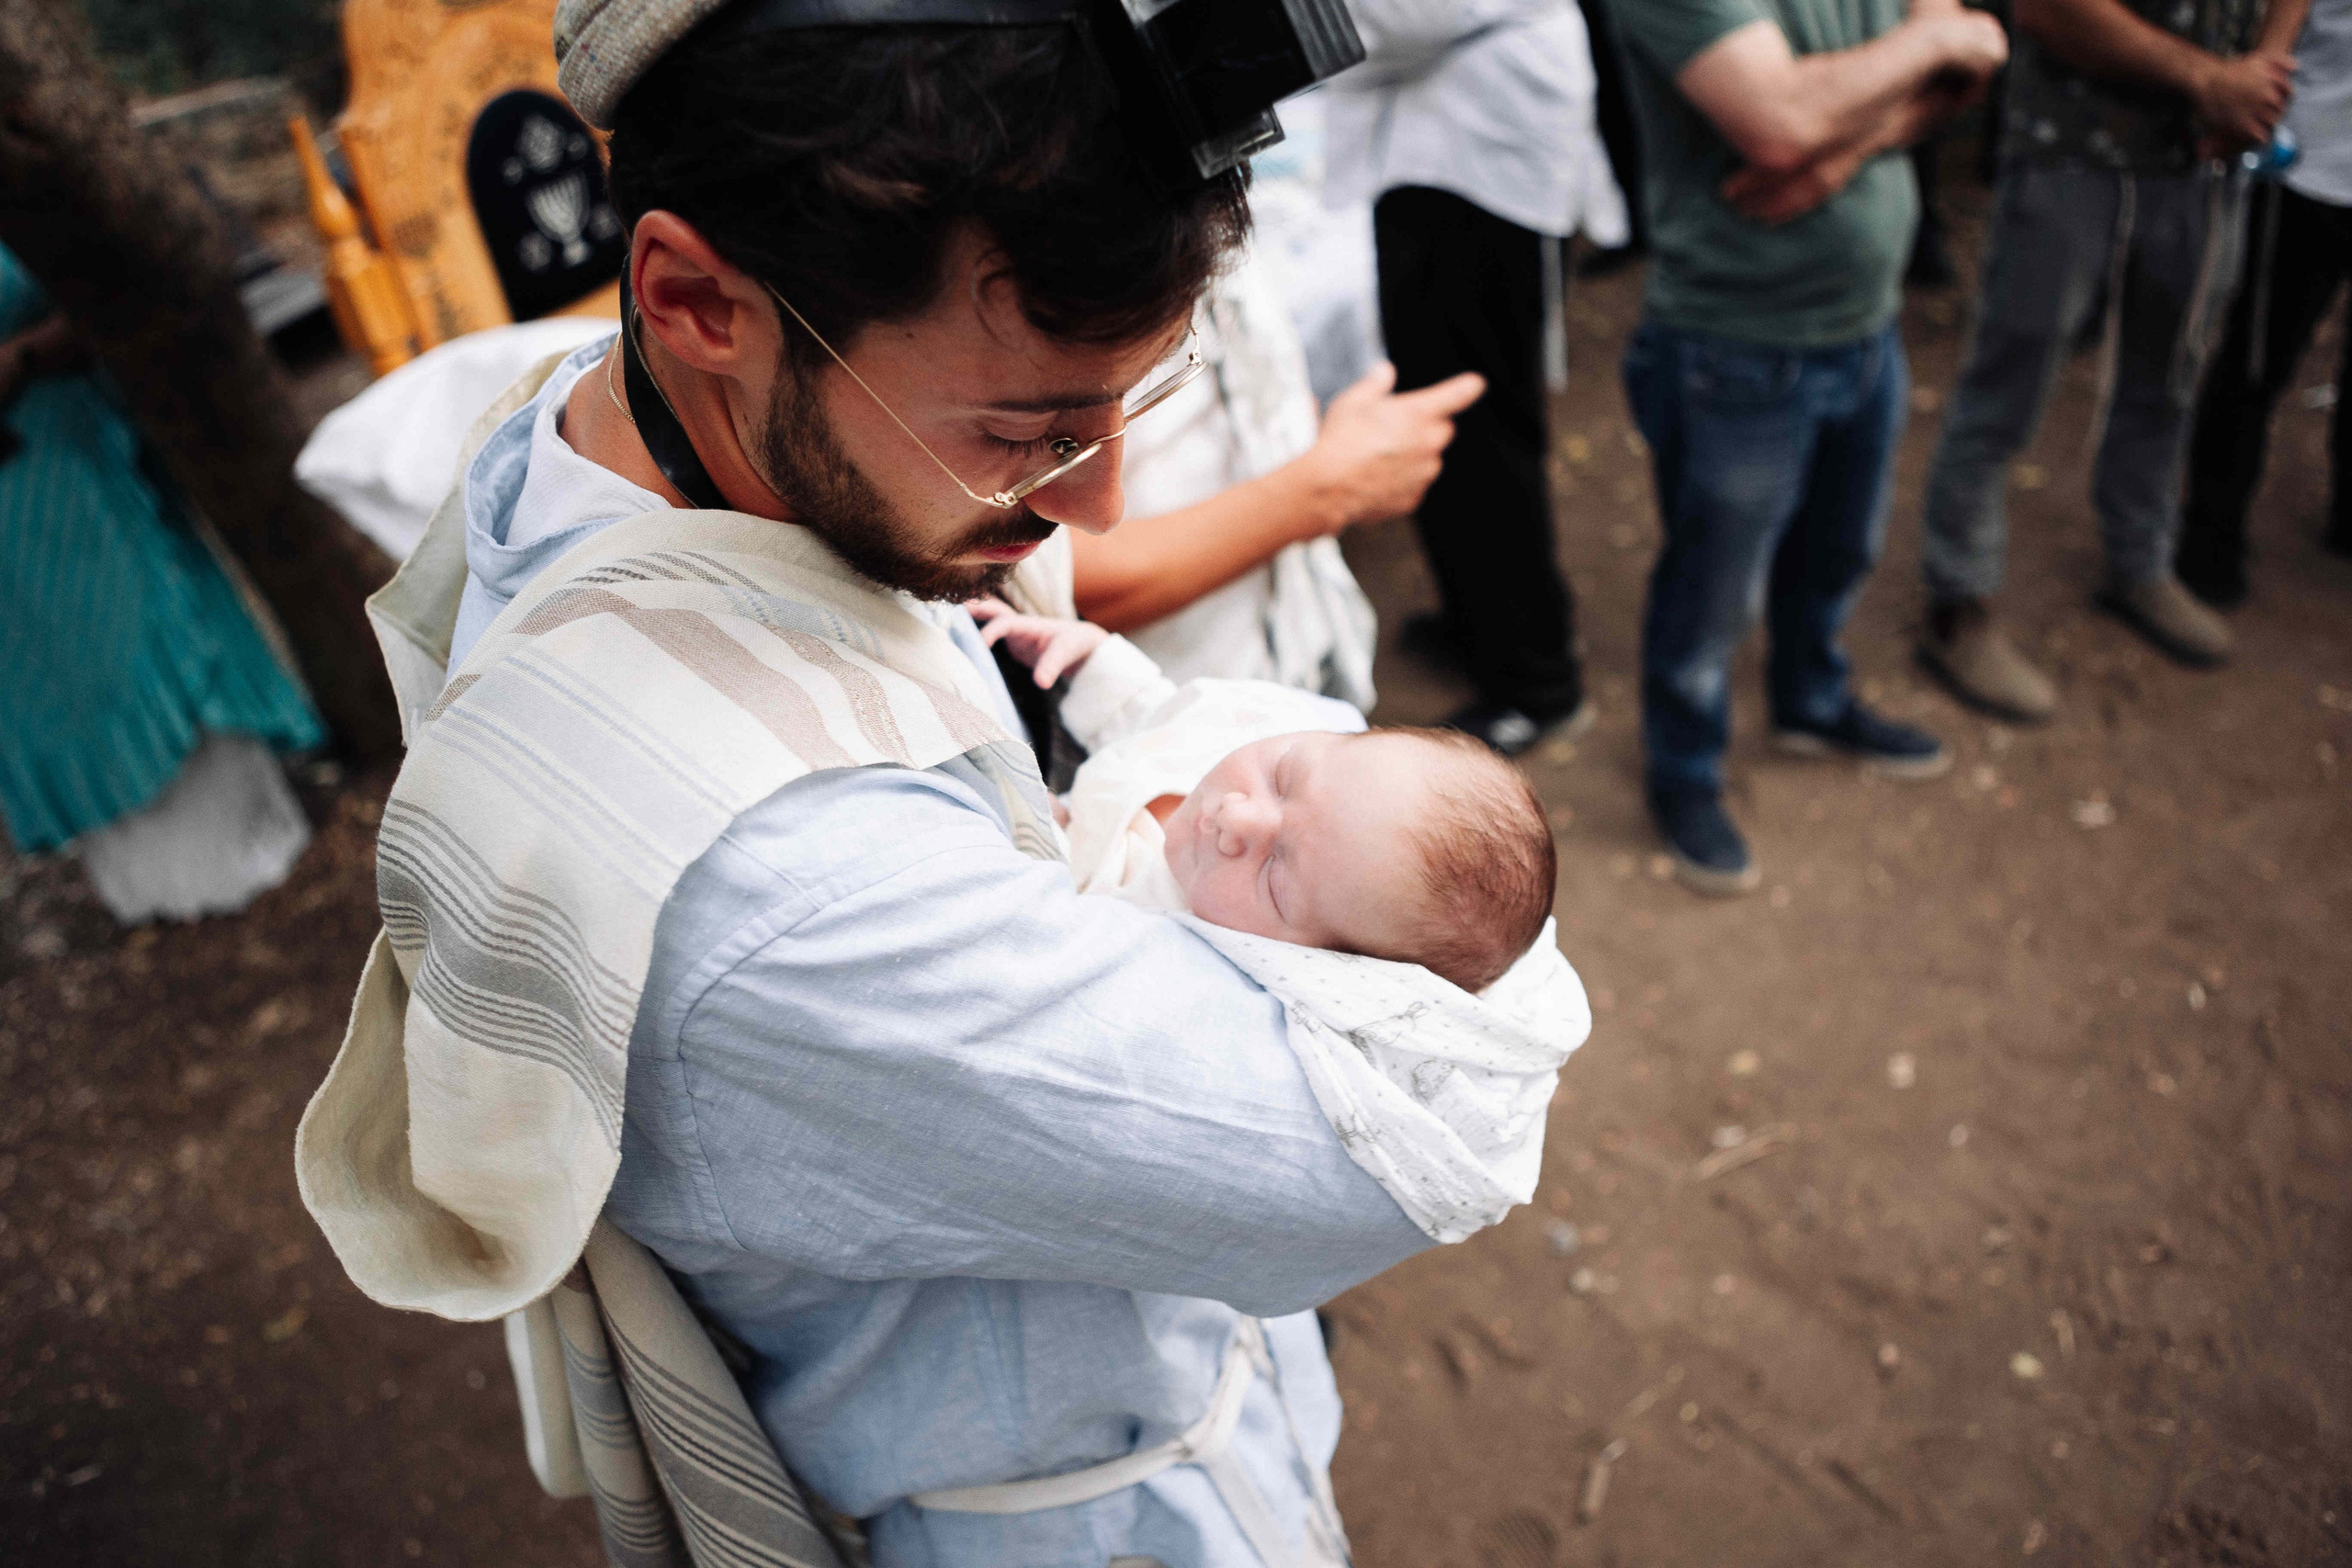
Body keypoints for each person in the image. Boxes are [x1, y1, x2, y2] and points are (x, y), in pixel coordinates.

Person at [295, 6, 1579, 1566]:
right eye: (1021, 431)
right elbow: (1404, 1135)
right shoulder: (787, 882)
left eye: (1129, 404)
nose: (1089, 511)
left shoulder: (663, 420)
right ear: (694, 297)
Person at [1609, 0, 2006, 893]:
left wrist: (1839, 156)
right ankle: (1683, 772)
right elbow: (1780, 122)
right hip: (1732, 346)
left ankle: (1811, 702)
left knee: (1838, 549)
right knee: (1711, 591)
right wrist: (1930, 40)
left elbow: (1974, 70)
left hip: (1868, 327)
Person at [1915, 0, 2309, 715]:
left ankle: (2139, 562)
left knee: (2170, 377)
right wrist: (2209, 80)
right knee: (2009, 382)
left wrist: (2258, 83)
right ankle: (1957, 600)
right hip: (2072, 142)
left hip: (2204, 157)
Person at [973, 597, 1559, 993]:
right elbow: (1163, 714)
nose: (1237, 818)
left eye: (1276, 877)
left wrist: (1044, 829)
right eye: (1282, 779)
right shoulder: (1257, 724)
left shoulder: (1160, 934)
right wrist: (1093, 661)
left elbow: (1047, 917)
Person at [1324, 0, 1628, 755]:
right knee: (1448, 423)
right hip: (1446, 159)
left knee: (1477, 432)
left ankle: (1537, 681)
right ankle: (1482, 624)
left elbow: (1396, 19)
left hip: (1477, 172)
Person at [0, 243, 321, 921]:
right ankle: (159, 897)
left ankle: (251, 863)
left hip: (77, 443)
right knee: (54, 673)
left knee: (142, 627)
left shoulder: (26, 176)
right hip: (16, 504)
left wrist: (23, 358)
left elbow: (123, 283)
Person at [1071, 244, 1480, 712]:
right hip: (1166, 714)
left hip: (1305, 640)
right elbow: (1057, 577)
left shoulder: (1210, 197)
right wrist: (1327, 487)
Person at [2177, 0, 2351, 606]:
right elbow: (2279, 28)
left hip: (2319, 159)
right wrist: (2256, 107)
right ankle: (2209, 536)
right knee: (2257, 359)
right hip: (2309, 165)